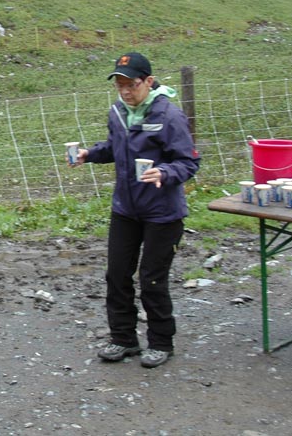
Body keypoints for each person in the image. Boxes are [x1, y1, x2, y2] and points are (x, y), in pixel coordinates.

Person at [70, 53, 200, 369]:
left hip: (163, 213)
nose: (125, 91)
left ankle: (161, 343)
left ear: (149, 82)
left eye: (132, 84)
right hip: (125, 209)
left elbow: (188, 162)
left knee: (152, 279)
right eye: (120, 85)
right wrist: (90, 154)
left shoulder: (169, 115)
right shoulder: (117, 112)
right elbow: (114, 148)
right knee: (116, 275)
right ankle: (123, 338)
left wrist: (165, 172)